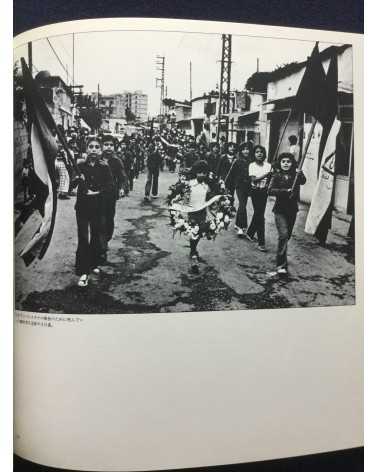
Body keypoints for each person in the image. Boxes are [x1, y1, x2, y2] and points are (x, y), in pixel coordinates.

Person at [73, 138, 113, 287]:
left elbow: (110, 186)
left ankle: (93, 263)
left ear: (100, 150)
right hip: (82, 208)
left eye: (97, 147)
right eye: (91, 147)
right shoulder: (79, 166)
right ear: (86, 149)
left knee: (96, 236)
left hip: (98, 207)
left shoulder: (104, 167)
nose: (94, 149)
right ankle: (83, 272)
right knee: (83, 237)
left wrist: (97, 192)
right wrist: (77, 178)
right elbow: (70, 184)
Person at [268, 152, 306, 275]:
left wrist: (301, 173)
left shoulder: (296, 175)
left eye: (288, 162)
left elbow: (304, 181)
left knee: (287, 237)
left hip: (292, 210)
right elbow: (270, 190)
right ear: (280, 163)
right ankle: (281, 265)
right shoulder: (276, 175)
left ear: (292, 163)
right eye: (283, 161)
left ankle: (281, 256)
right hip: (279, 210)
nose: (286, 164)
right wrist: (285, 191)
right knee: (283, 235)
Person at [100, 135, 127, 255]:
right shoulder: (97, 158)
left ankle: (106, 238)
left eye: (111, 145)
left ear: (114, 147)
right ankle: (101, 243)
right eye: (106, 145)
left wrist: (121, 188)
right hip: (97, 194)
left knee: (109, 218)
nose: (108, 147)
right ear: (102, 146)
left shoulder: (116, 161)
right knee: (98, 219)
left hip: (111, 195)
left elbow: (123, 177)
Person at [246, 145, 272, 251]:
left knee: (258, 214)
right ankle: (261, 242)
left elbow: (271, 179)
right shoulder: (252, 165)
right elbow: (254, 180)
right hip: (255, 192)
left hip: (264, 192)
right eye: (257, 152)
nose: (259, 154)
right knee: (260, 216)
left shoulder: (268, 165)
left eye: (261, 152)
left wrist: (268, 183)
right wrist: (266, 174)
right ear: (254, 154)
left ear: (264, 154)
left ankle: (250, 232)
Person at [225, 142, 252, 236]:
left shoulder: (252, 161)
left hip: (249, 186)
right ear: (240, 151)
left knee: (242, 204)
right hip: (239, 186)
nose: (246, 151)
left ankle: (237, 224)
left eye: (247, 149)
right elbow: (230, 174)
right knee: (242, 205)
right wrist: (226, 185)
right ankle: (241, 227)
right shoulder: (237, 161)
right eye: (244, 149)